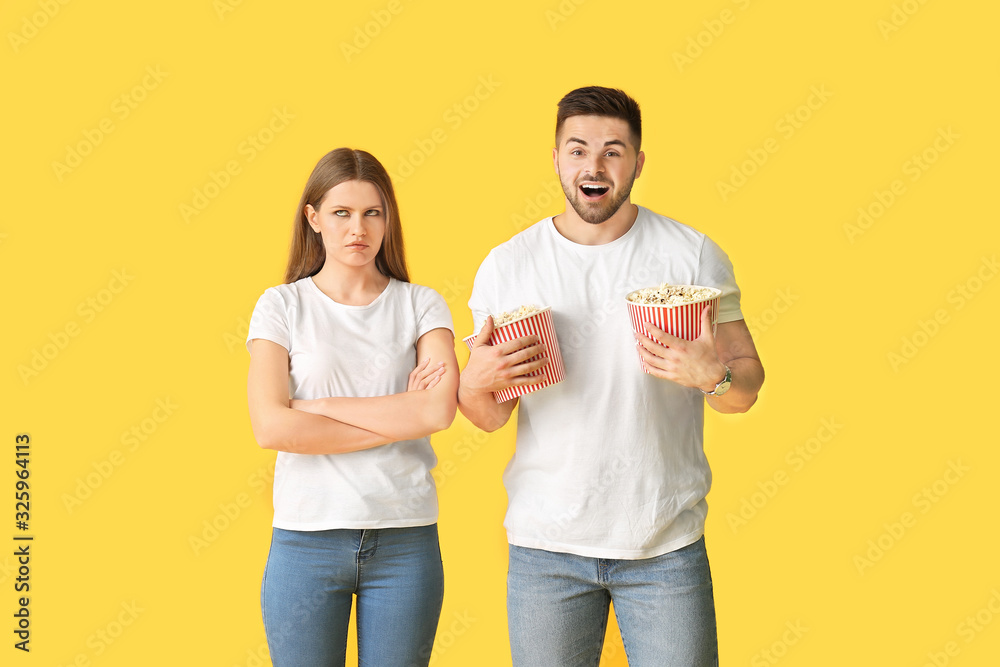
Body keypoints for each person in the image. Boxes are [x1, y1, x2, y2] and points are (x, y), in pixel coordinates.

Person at [459, 86, 765, 666]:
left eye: (613, 151)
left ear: (638, 163)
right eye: (577, 150)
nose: (593, 167)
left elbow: (744, 389)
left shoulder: (692, 253)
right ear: (555, 159)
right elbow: (489, 414)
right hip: (545, 547)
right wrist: (474, 383)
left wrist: (714, 376)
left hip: (664, 543)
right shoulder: (508, 265)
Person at [245, 148, 459, 666]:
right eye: (341, 213)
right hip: (306, 543)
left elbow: (435, 414)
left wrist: (317, 407)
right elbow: (272, 426)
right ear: (314, 218)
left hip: (405, 542)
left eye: (372, 213)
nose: (357, 228)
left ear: (388, 221)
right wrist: (398, 415)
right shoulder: (281, 306)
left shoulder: (421, 304)